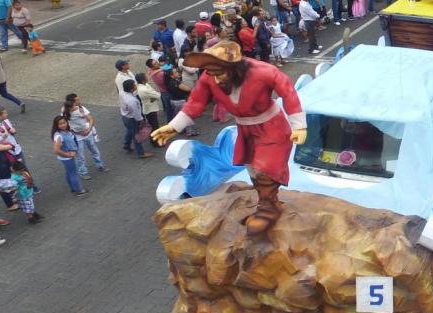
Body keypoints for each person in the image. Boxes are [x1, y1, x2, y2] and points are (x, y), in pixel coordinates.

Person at [152, 41, 305, 234]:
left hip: (271, 127)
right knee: (252, 169)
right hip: (245, 129)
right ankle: (268, 201)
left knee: (266, 169)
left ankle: (268, 209)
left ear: (235, 67)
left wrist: (299, 126)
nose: (217, 79)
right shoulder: (209, 77)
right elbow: (196, 101)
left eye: (221, 72)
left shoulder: (263, 72)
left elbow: (288, 92)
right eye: (212, 73)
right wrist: (174, 126)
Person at [64, 94, 105, 179]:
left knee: (95, 150)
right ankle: (83, 172)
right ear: (71, 104)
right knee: (80, 156)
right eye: (77, 101)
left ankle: (100, 165)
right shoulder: (65, 113)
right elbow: (65, 126)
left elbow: (91, 119)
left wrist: (88, 130)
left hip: (88, 134)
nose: (79, 102)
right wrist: (76, 132)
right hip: (77, 137)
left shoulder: (81, 108)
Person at [50, 116, 88, 196]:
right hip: (67, 158)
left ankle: (73, 188)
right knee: (73, 173)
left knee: (69, 173)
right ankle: (79, 190)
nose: (63, 125)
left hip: (67, 157)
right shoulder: (59, 136)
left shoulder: (66, 131)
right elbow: (56, 150)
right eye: (60, 124)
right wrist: (67, 155)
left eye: (64, 123)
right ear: (56, 125)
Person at [118, 79, 151, 159]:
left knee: (129, 131)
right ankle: (141, 153)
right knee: (136, 136)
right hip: (132, 119)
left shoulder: (122, 92)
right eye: (134, 85)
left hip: (125, 116)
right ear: (131, 88)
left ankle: (126, 145)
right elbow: (136, 113)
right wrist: (141, 121)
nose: (136, 86)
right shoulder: (132, 101)